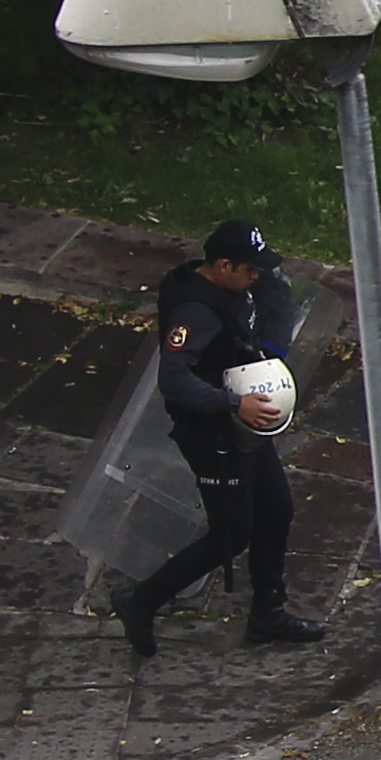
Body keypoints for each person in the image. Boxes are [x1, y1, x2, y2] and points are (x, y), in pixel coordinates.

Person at [108, 219, 321, 657]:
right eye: (249, 269)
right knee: (231, 532)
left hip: (241, 424)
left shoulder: (228, 289)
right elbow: (174, 378)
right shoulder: (195, 311)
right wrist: (233, 403)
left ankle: (268, 611)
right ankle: (141, 600)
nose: (256, 276)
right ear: (223, 266)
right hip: (212, 433)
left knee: (276, 510)